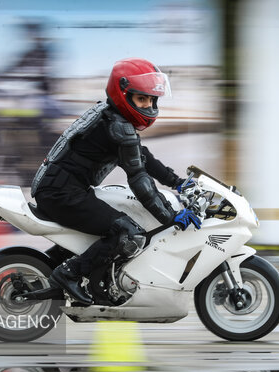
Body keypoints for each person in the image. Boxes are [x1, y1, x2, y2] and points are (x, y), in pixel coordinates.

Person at [30, 57, 201, 305]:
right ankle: (68, 275)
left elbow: (142, 157)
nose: (148, 105)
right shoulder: (118, 126)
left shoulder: (112, 116)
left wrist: (177, 182)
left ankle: (70, 272)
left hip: (62, 188)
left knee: (111, 224)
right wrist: (170, 217)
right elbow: (139, 179)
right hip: (63, 193)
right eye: (141, 98)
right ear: (123, 94)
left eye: (152, 100)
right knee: (128, 233)